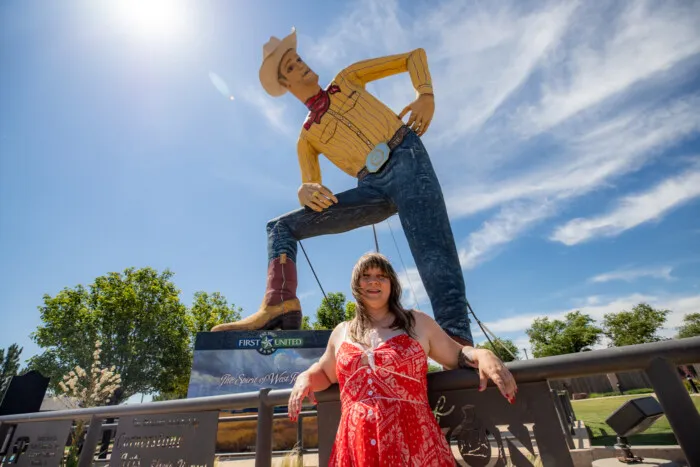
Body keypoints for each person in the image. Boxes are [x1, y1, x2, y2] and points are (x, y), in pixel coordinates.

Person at [212, 27, 474, 346]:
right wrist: (304, 191)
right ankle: (279, 304)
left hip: (406, 157)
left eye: (299, 59)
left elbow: (413, 57)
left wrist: (425, 94)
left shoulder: (347, 79)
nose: (302, 65)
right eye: (292, 67)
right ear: (285, 83)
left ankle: (458, 342)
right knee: (279, 227)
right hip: (371, 185)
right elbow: (313, 187)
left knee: (431, 248)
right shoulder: (307, 136)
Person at [288, 252, 517, 466]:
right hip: (356, 443)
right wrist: (306, 376)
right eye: (365, 276)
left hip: (413, 439)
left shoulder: (418, 322)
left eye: (381, 276)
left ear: (392, 285)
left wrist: (483, 354)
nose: (373, 281)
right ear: (356, 285)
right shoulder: (341, 332)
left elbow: (457, 355)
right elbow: (326, 374)